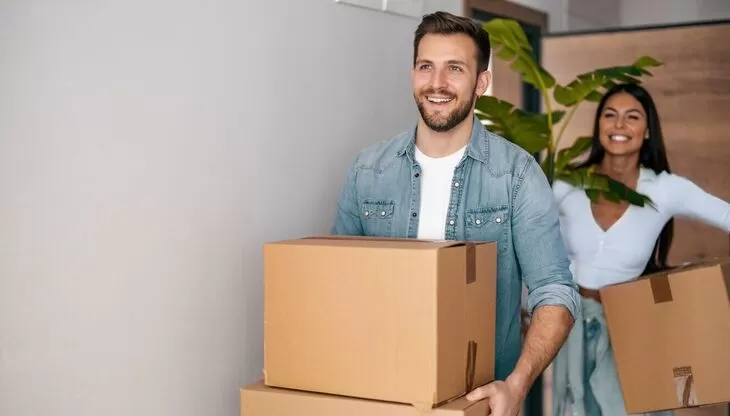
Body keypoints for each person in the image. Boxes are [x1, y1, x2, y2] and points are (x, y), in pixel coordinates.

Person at [330, 11, 580, 416]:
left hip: (475, 402)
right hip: (382, 392)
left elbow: (554, 291)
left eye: (455, 69)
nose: (437, 84)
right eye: (425, 66)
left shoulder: (515, 175)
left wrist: (516, 386)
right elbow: (337, 284)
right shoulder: (367, 171)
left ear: (481, 82)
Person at [550, 82, 730, 416]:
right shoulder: (568, 184)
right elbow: (536, 247)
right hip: (572, 324)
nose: (619, 125)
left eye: (632, 117)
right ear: (599, 125)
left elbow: (725, 214)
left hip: (633, 326)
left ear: (647, 130)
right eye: (610, 115)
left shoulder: (664, 188)